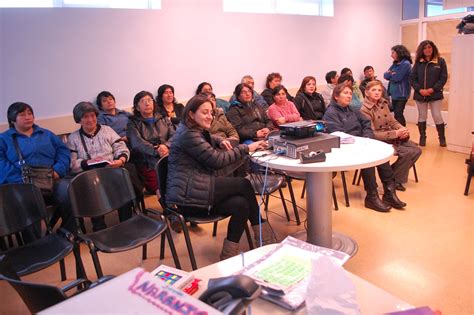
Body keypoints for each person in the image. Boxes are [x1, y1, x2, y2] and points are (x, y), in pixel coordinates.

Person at [166, 94, 275, 260]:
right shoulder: (188, 135)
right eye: (205, 112)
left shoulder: (189, 129)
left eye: (211, 112)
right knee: (244, 184)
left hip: (196, 186)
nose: (210, 116)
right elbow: (218, 161)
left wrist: (218, 140)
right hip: (188, 197)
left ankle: (228, 254)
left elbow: (205, 136)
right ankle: (263, 236)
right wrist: (247, 148)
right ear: (191, 114)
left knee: (241, 204)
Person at [323, 83, 406, 212]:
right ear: (336, 96)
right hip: (344, 147)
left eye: (350, 93)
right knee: (369, 159)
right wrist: (360, 141)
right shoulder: (331, 113)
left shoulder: (352, 109)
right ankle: (371, 197)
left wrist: (367, 136)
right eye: (345, 93)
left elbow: (366, 122)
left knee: (380, 155)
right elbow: (337, 135)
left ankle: (389, 192)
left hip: (361, 142)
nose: (349, 96)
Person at [67, 101, 143, 231]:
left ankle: (127, 221)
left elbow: (121, 147)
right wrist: (87, 163)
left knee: (123, 180)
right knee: (91, 186)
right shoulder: (73, 138)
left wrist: (120, 160)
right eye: (85, 117)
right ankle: (99, 226)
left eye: (92, 116)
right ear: (79, 120)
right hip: (90, 175)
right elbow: (71, 163)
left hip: (111, 169)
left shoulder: (107, 130)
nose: (90, 120)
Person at [0, 102, 72, 236]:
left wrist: (57, 170)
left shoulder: (46, 134)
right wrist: (22, 180)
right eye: (22, 114)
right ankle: (37, 243)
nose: (28, 117)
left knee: (69, 190)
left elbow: (63, 152)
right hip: (22, 184)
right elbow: (1, 165)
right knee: (27, 200)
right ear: (12, 119)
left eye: (30, 113)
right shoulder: (3, 139)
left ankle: (67, 233)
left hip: (51, 178)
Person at [360, 81, 422, 191]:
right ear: (367, 92)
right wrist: (394, 134)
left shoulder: (383, 103)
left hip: (391, 135)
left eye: (379, 90)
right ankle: (394, 180)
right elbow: (372, 133)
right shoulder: (364, 109)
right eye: (373, 90)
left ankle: (392, 176)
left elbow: (391, 120)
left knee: (417, 150)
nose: (377, 92)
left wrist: (401, 128)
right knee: (407, 152)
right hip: (377, 140)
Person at [127, 91, 175, 193]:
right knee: (161, 186)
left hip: (169, 155)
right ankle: (167, 206)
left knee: (180, 181)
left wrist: (166, 146)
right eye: (143, 101)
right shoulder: (132, 123)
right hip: (147, 161)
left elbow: (174, 135)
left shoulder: (163, 117)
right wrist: (156, 150)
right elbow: (137, 143)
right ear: (137, 107)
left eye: (149, 100)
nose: (147, 103)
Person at [410, 40, 448, 147]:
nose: (427, 50)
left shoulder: (440, 61)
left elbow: (443, 78)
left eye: (429, 47)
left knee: (437, 115)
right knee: (422, 116)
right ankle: (422, 137)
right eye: (425, 48)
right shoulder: (418, 63)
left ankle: (442, 138)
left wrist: (433, 89)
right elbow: (412, 78)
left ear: (433, 48)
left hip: (435, 94)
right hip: (420, 94)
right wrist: (420, 90)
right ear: (422, 50)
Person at [384, 45, 413, 126]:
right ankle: (399, 133)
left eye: (393, 53)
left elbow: (397, 77)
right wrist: (391, 73)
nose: (391, 55)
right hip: (394, 93)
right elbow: (385, 75)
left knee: (398, 113)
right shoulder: (395, 64)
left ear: (399, 52)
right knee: (396, 114)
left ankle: (403, 133)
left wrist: (391, 73)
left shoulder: (406, 64)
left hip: (402, 94)